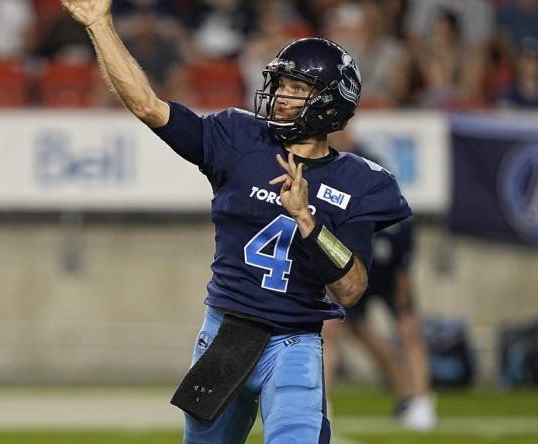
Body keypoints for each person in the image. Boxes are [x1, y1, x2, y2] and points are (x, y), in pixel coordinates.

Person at [60, 1, 411, 442]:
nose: (280, 95)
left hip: (293, 343)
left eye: (296, 88)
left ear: (328, 103)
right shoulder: (238, 137)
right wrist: (99, 25)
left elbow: (352, 288)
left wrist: (308, 220)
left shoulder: (360, 181)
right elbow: (149, 106)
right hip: (224, 333)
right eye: (279, 83)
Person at [322, 218, 437, 431]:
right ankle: (323, 402)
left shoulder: (399, 225)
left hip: (388, 281)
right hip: (352, 278)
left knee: (409, 328)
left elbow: (403, 271)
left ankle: (420, 401)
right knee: (332, 329)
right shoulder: (346, 219)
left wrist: (404, 309)